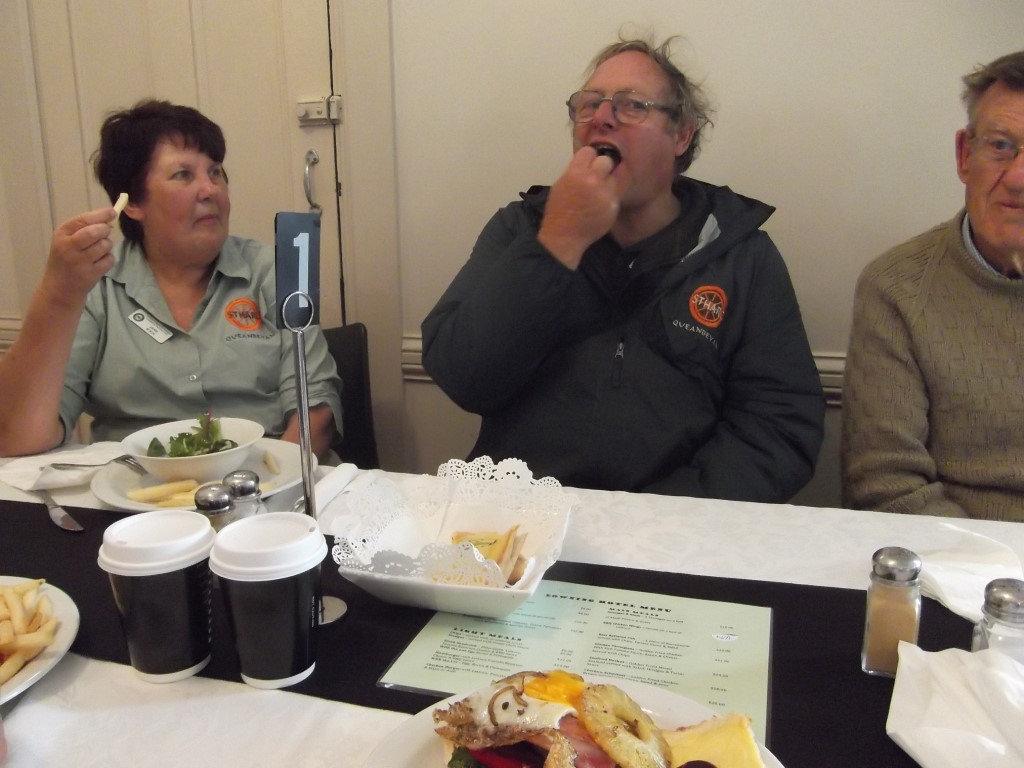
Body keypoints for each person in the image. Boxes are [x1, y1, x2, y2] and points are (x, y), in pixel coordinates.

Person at [421, 36, 824, 501]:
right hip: (522, 518)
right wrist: (558, 241)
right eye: (589, 104)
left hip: (675, 527)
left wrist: (657, 515)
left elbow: (779, 428)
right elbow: (464, 376)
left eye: (633, 105)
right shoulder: (520, 228)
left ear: (681, 135)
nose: (602, 117)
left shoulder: (740, 255)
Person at [0, 100, 342, 460]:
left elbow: (316, 412)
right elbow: (20, 437)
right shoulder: (94, 286)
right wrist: (57, 294)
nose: (210, 190)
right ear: (133, 202)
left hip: (265, 478)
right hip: (137, 488)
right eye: (183, 175)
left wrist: (266, 481)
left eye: (215, 172)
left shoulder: (274, 269)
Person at [842, 51, 1024, 521]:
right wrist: (991, 562)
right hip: (958, 556)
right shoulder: (897, 289)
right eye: (1001, 146)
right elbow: (889, 488)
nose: (1018, 178)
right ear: (965, 155)